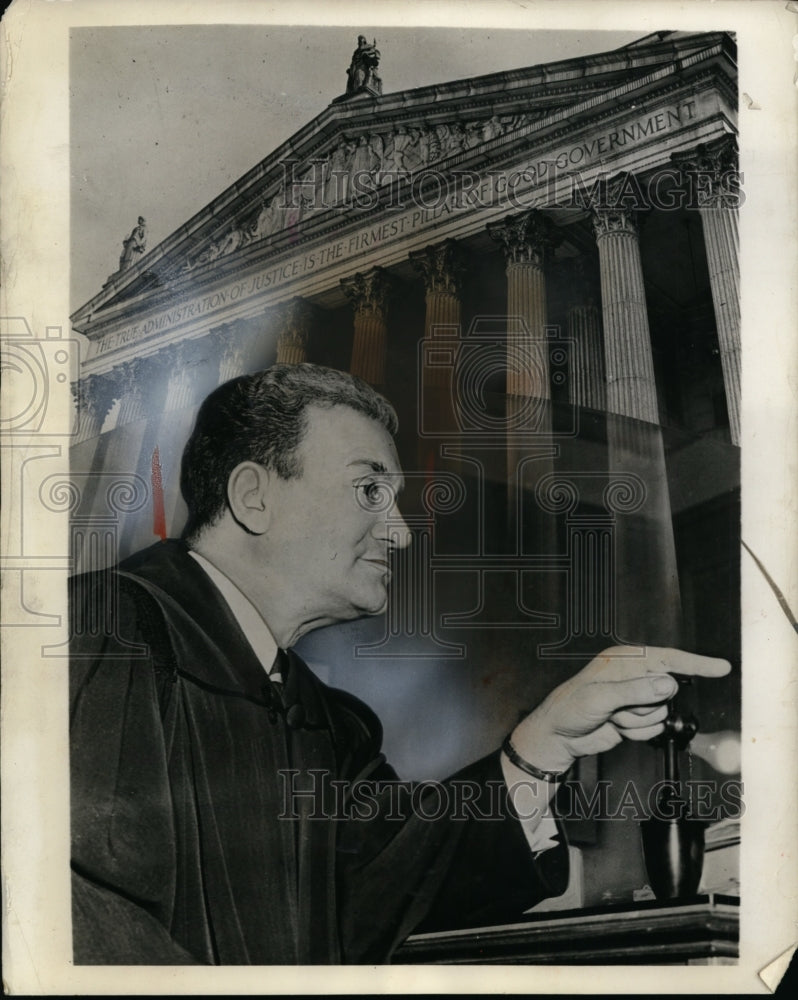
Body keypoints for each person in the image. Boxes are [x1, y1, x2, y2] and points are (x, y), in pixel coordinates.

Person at [69, 363, 730, 965]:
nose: (402, 530)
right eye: (367, 491)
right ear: (254, 497)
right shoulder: (104, 633)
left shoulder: (330, 723)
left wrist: (543, 745)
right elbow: (65, 916)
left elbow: (397, 885)